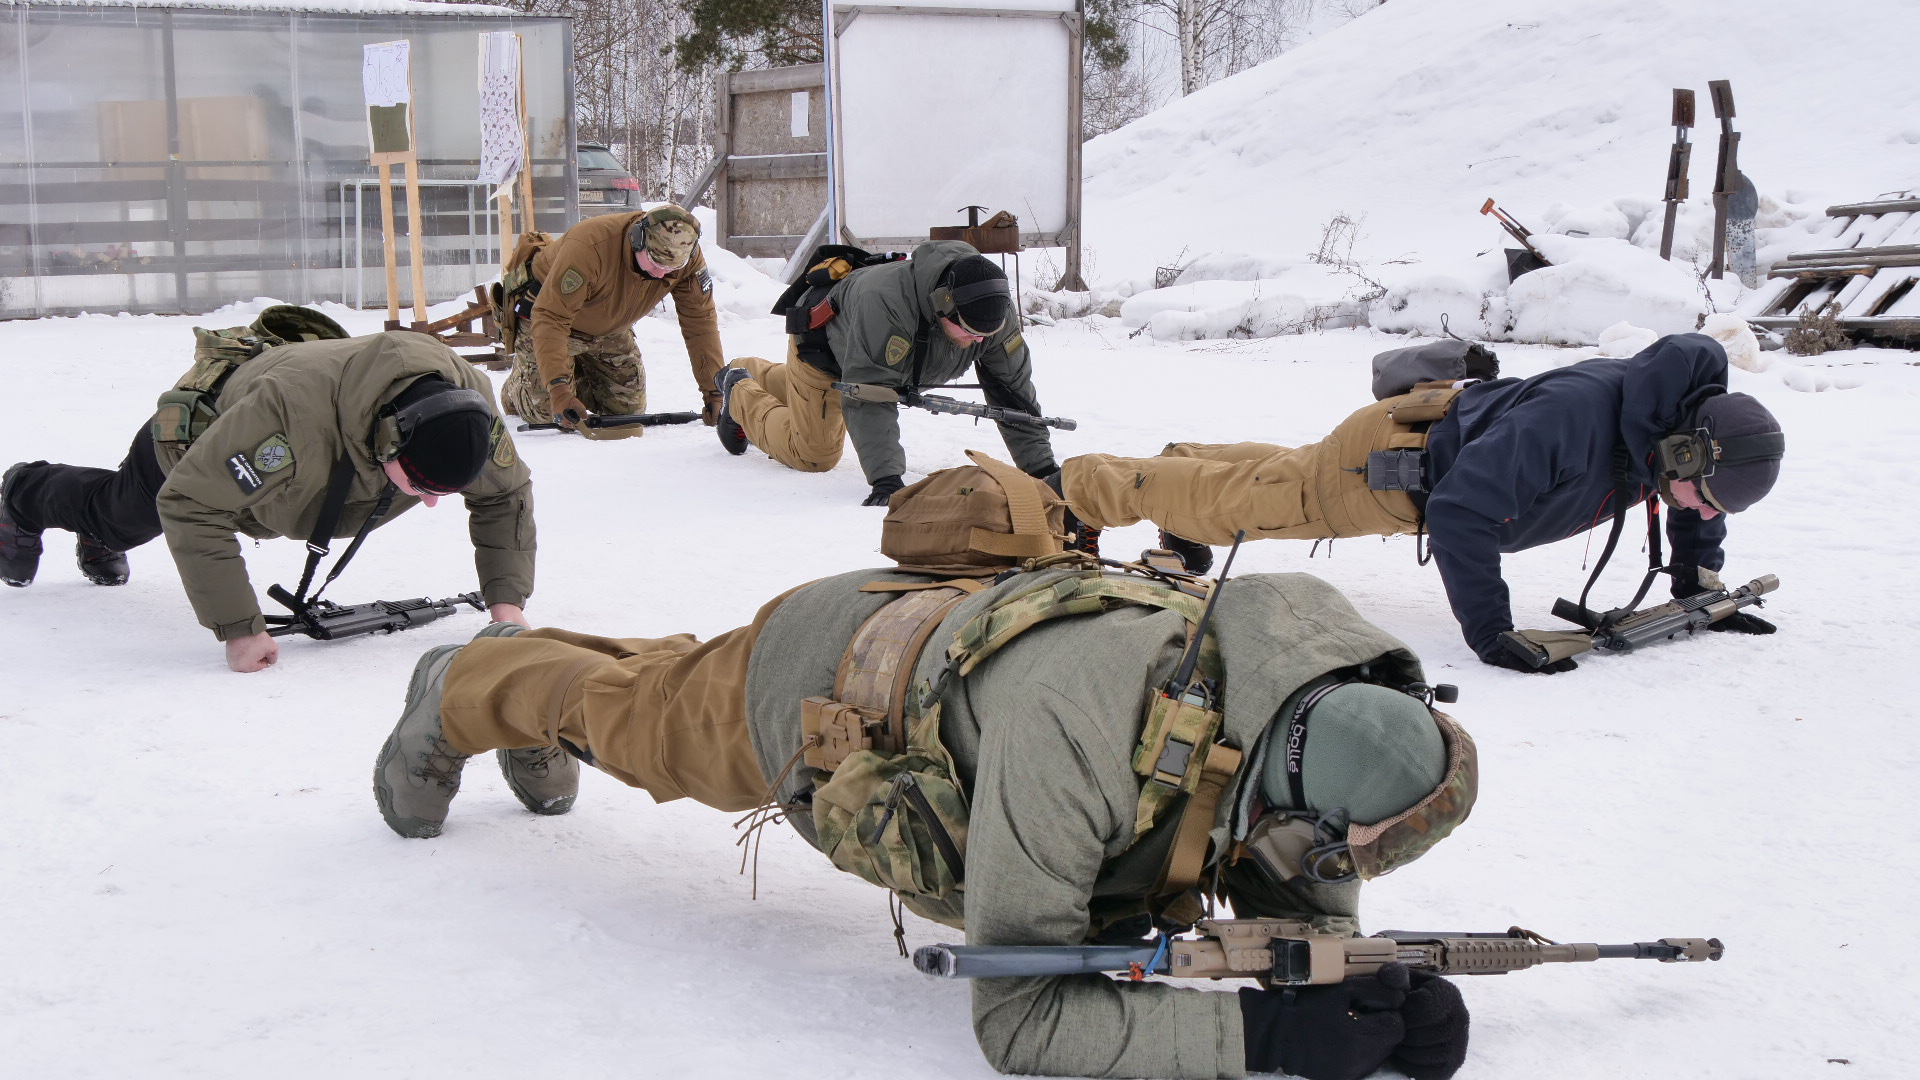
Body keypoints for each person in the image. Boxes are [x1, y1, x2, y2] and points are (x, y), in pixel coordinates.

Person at [371, 463, 1474, 1080]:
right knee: (635, 723)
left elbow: (1298, 884)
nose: (1335, 864)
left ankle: (520, 669)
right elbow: (1026, 1017)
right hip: (820, 675)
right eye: (1334, 842)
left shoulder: (1293, 690)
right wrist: (1268, 1037)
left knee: (665, 677)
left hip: (960, 637)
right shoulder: (1076, 745)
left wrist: (1370, 990)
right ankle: (467, 684)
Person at [1049, 332, 1785, 672]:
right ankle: (1081, 489)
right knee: (1255, 501)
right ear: (1683, 450)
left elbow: (1693, 508)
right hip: (1389, 471)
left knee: (1268, 476)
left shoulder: (1664, 427)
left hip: (1432, 430)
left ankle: (1169, 477)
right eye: (1704, 495)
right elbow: (1463, 510)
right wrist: (1491, 632)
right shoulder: (1576, 419)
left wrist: (1698, 584)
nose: (1704, 511)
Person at [0, 320, 536, 672]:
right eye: (420, 487)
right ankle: (23, 491)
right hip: (196, 442)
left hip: (300, 452)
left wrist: (506, 604)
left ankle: (94, 531)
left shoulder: (465, 409)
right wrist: (240, 629)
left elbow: (505, 495)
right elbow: (190, 503)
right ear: (387, 438)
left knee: (116, 520)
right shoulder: (288, 416)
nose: (430, 503)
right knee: (118, 516)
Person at [714, 240, 1058, 504]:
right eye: (968, 331)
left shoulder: (991, 310)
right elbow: (869, 392)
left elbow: (1013, 390)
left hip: (876, 363)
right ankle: (740, 390)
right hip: (824, 356)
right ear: (942, 305)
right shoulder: (886, 305)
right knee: (815, 455)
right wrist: (886, 478)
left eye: (985, 334)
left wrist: (1041, 469)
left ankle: (752, 370)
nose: (978, 340)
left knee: (803, 396)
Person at [498, 203, 724, 435]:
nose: (660, 274)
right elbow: (552, 317)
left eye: (670, 270)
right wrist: (558, 390)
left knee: (628, 411)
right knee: (549, 411)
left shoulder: (685, 255)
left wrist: (714, 391)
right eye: (654, 264)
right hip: (551, 320)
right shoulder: (589, 247)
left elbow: (700, 322)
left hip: (610, 327)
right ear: (637, 240)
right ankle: (517, 388)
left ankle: (573, 372)